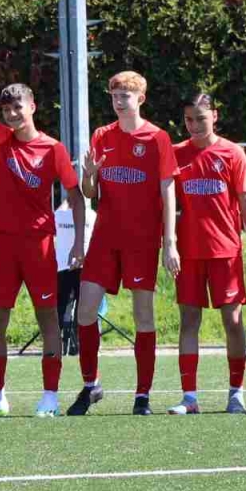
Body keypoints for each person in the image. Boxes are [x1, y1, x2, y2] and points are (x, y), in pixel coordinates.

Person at [0, 37, 85, 418]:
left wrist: (78, 242)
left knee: (48, 317)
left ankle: (50, 396)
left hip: (40, 244)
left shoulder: (53, 149)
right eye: (7, 109)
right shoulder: (1, 140)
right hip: (4, 244)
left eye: (18, 107)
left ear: (32, 107)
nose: (12, 114)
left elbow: (77, 196)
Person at [71, 70, 180, 416]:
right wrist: (89, 176)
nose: (119, 102)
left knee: (143, 315)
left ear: (140, 99)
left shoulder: (157, 138)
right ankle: (91, 385)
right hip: (105, 238)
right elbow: (90, 193)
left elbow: (168, 191)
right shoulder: (102, 135)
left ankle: (142, 395)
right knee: (84, 311)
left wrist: (170, 241)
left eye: (125, 96)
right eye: (115, 96)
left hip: (142, 240)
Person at [169, 93, 246, 415]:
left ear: (215, 115)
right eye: (189, 119)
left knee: (233, 321)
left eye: (201, 118)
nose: (194, 125)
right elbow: (167, 204)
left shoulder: (232, 153)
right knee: (189, 321)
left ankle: (236, 393)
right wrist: (168, 244)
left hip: (226, 251)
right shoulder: (175, 154)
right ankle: (189, 398)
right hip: (189, 253)